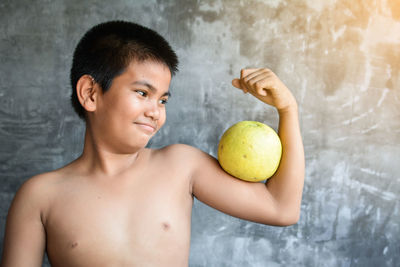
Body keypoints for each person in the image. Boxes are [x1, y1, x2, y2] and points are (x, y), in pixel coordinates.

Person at [0, 20, 305, 266]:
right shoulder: (40, 196)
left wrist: (288, 109)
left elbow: (282, 209)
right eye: (142, 93)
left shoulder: (181, 166)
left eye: (163, 99)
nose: (155, 111)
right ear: (91, 94)